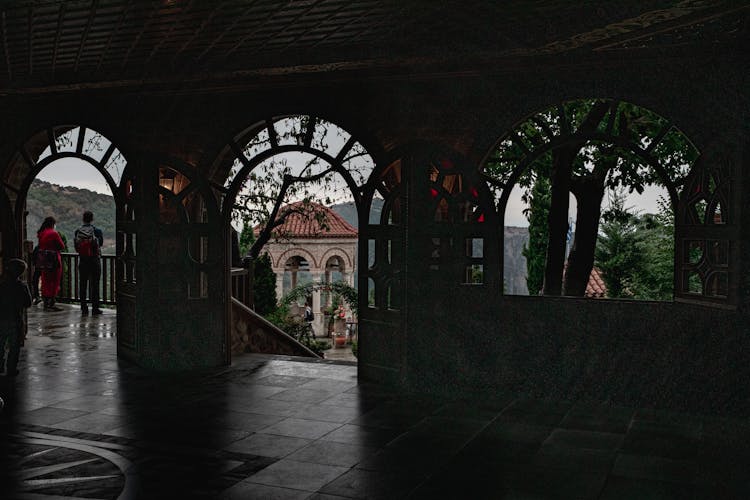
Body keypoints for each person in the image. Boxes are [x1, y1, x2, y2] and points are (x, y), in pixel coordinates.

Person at [0, 259, 32, 376]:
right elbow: (28, 303)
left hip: (1, 318)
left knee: (0, 343)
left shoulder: (2, 285)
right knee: (15, 346)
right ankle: (11, 368)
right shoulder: (22, 286)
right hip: (16, 319)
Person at [74, 211, 104, 316]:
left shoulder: (77, 231)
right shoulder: (97, 231)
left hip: (83, 260)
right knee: (95, 285)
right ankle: (95, 308)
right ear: (92, 219)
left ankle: (84, 308)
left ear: (83, 219)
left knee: (82, 284)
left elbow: (76, 247)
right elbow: (100, 243)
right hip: (95, 260)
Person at [36, 216, 64, 311]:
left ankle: (46, 302)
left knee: (45, 280)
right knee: (55, 280)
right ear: (53, 224)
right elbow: (61, 246)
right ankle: (51, 303)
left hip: (44, 260)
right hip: (54, 259)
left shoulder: (42, 233)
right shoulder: (54, 233)